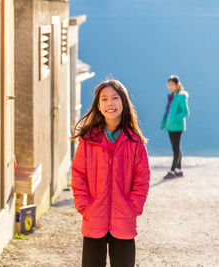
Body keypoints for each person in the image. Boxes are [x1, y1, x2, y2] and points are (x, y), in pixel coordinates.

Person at [70, 79, 150, 267]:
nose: (110, 103)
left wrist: (133, 207)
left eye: (115, 98)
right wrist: (84, 206)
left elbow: (142, 178)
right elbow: (78, 175)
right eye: (104, 99)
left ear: (123, 102)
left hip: (124, 219)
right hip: (93, 218)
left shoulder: (134, 142)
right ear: (98, 105)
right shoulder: (88, 140)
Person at [160, 75, 190, 179]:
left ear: (177, 85)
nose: (170, 87)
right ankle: (179, 170)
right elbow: (167, 111)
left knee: (176, 149)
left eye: (172, 85)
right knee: (176, 148)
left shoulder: (181, 96)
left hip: (177, 126)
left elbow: (185, 112)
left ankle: (172, 171)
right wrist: (165, 122)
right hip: (170, 127)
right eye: (168, 85)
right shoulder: (171, 96)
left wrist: (173, 118)